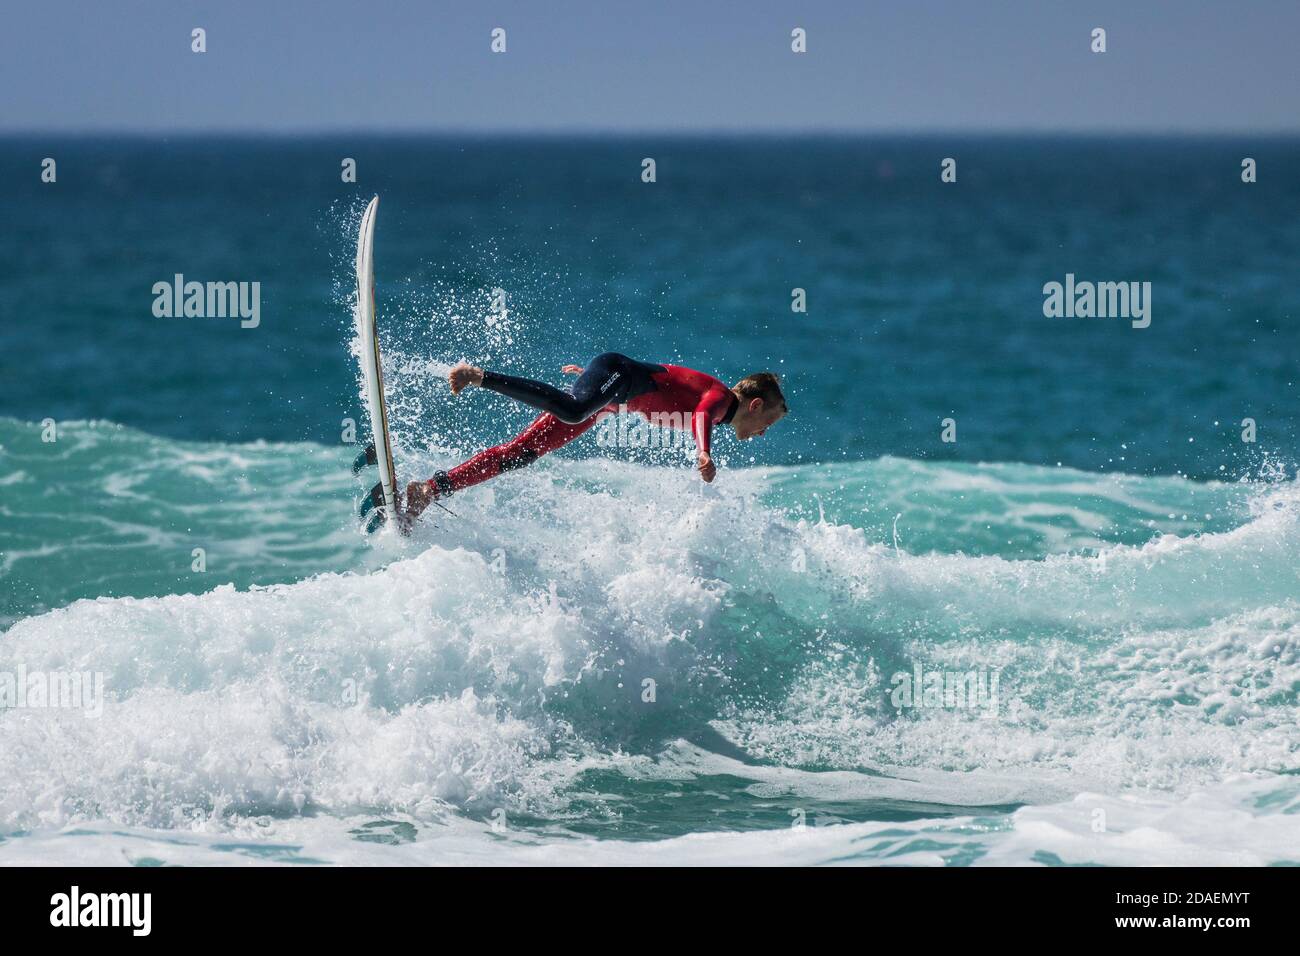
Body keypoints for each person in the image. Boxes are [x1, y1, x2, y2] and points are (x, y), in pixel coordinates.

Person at [402, 352, 787, 521]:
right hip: (614, 376)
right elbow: (702, 413)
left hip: (607, 398)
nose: (764, 433)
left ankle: (428, 490)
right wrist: (703, 452)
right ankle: (478, 376)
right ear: (754, 405)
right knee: (571, 409)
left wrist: (591, 380)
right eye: (768, 422)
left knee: (521, 454)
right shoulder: (720, 400)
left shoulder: (720, 408)